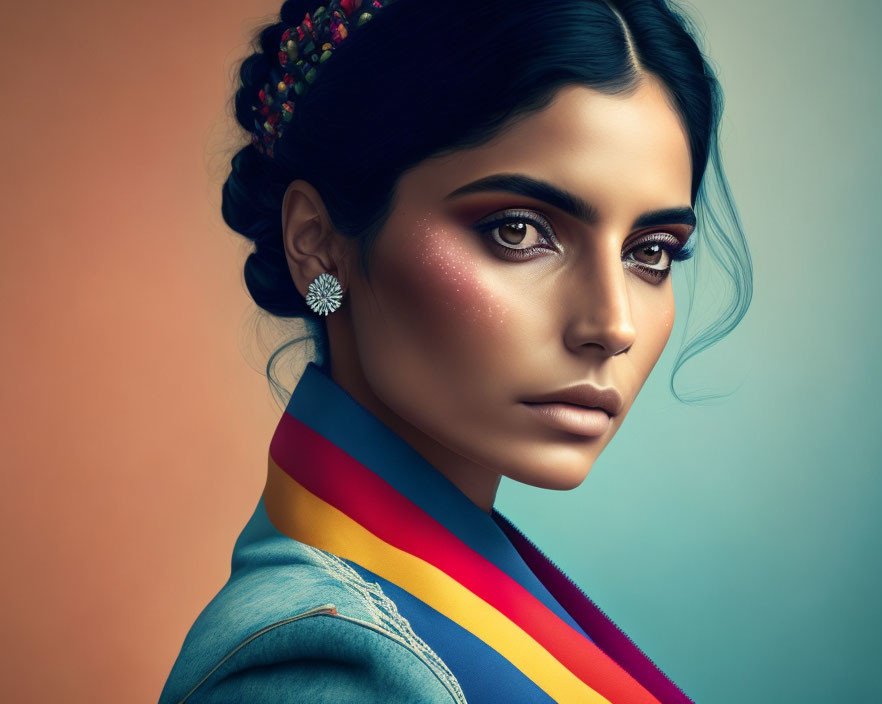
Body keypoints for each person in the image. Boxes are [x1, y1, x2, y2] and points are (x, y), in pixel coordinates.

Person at [160, 0, 752, 701]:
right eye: (517, 232)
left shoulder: (449, 611)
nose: (613, 324)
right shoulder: (329, 665)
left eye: (650, 252)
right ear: (316, 244)